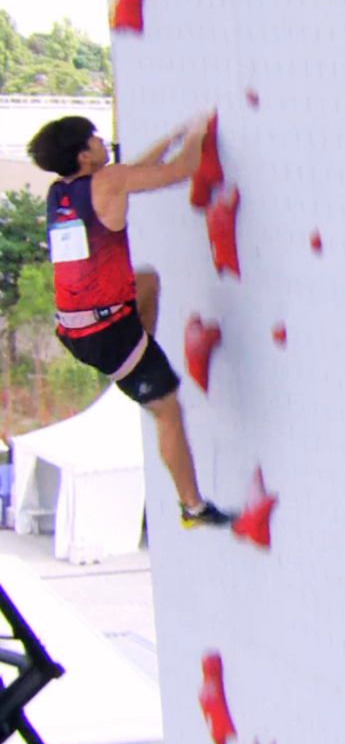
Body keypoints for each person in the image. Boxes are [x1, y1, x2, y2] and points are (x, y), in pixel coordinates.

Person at [27, 114, 232, 529]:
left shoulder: (61, 192)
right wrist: (194, 136)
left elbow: (130, 176)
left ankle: (140, 362)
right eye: (96, 139)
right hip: (105, 334)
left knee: (147, 282)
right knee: (168, 412)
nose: (103, 142)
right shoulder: (109, 182)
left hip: (75, 325)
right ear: (84, 154)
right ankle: (192, 507)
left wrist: (168, 136)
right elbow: (179, 172)